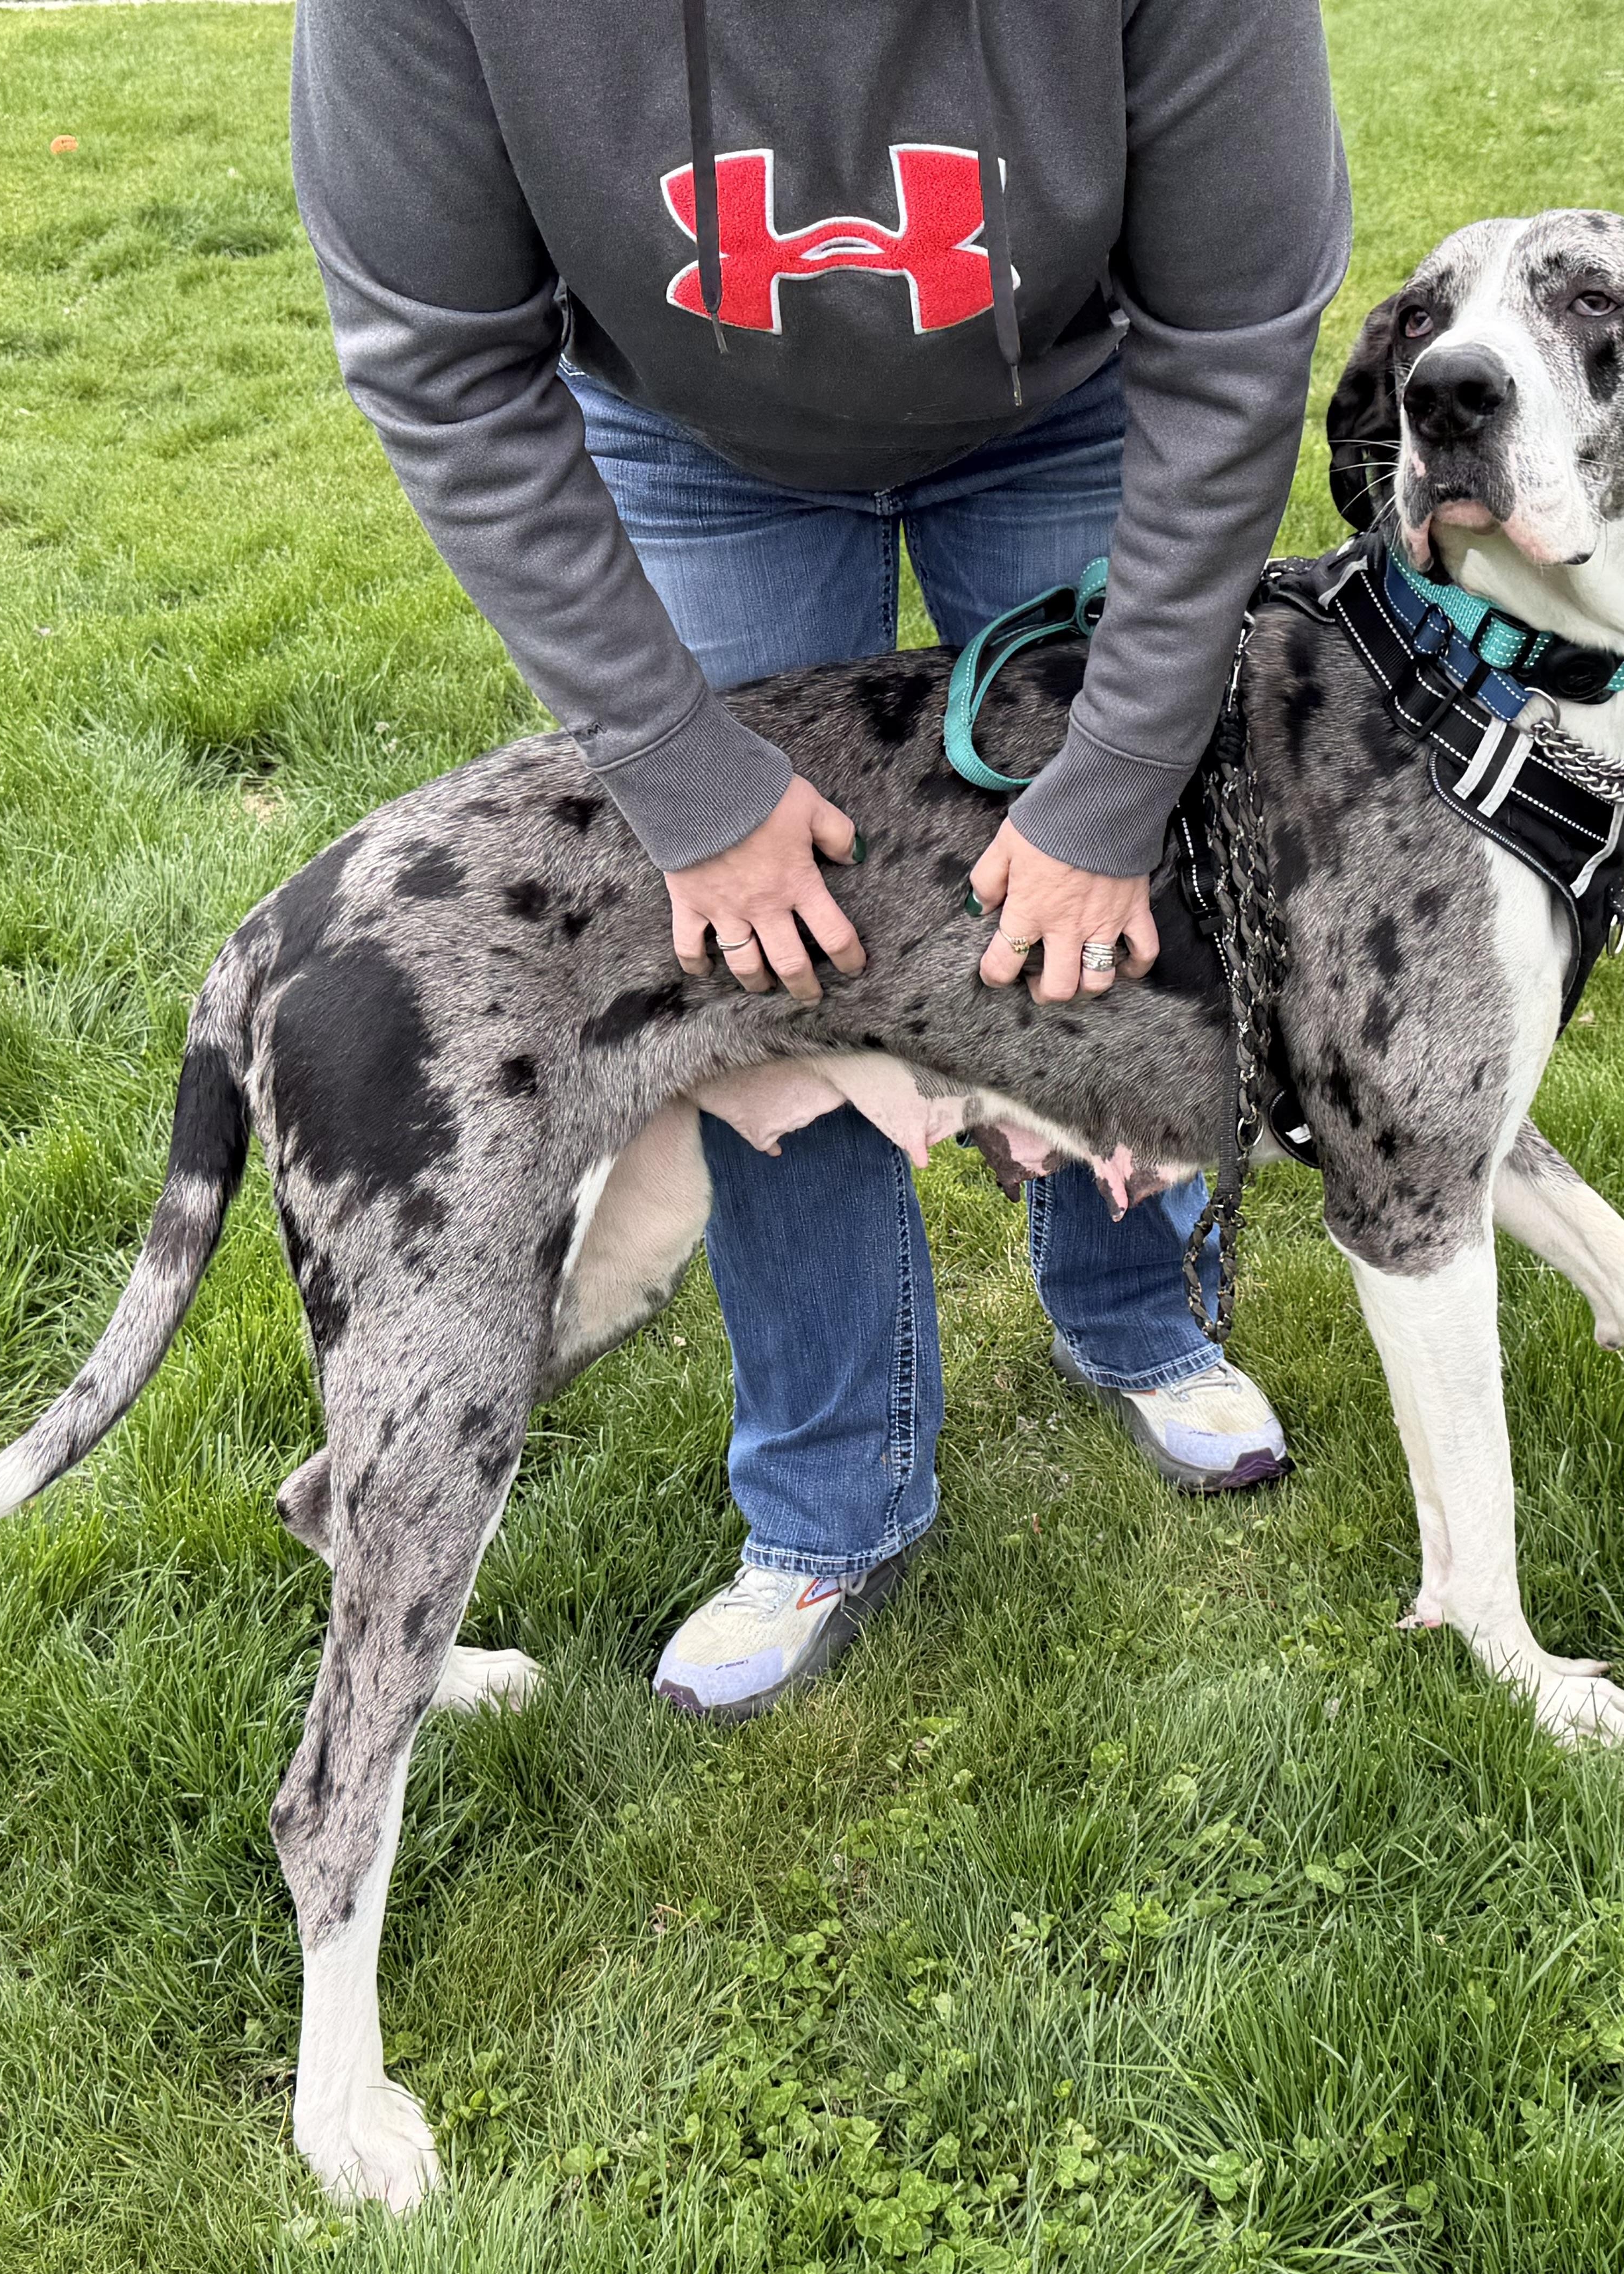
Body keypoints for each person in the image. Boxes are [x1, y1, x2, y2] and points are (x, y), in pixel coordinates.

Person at [290, 0, 1351, 1718]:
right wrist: (682, 779)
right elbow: (436, 357)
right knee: (754, 965)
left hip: (1074, 408)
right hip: (691, 439)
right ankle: (829, 1491)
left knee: (1113, 908)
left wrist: (1113, 785)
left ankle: (1141, 1313)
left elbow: (1237, 344)